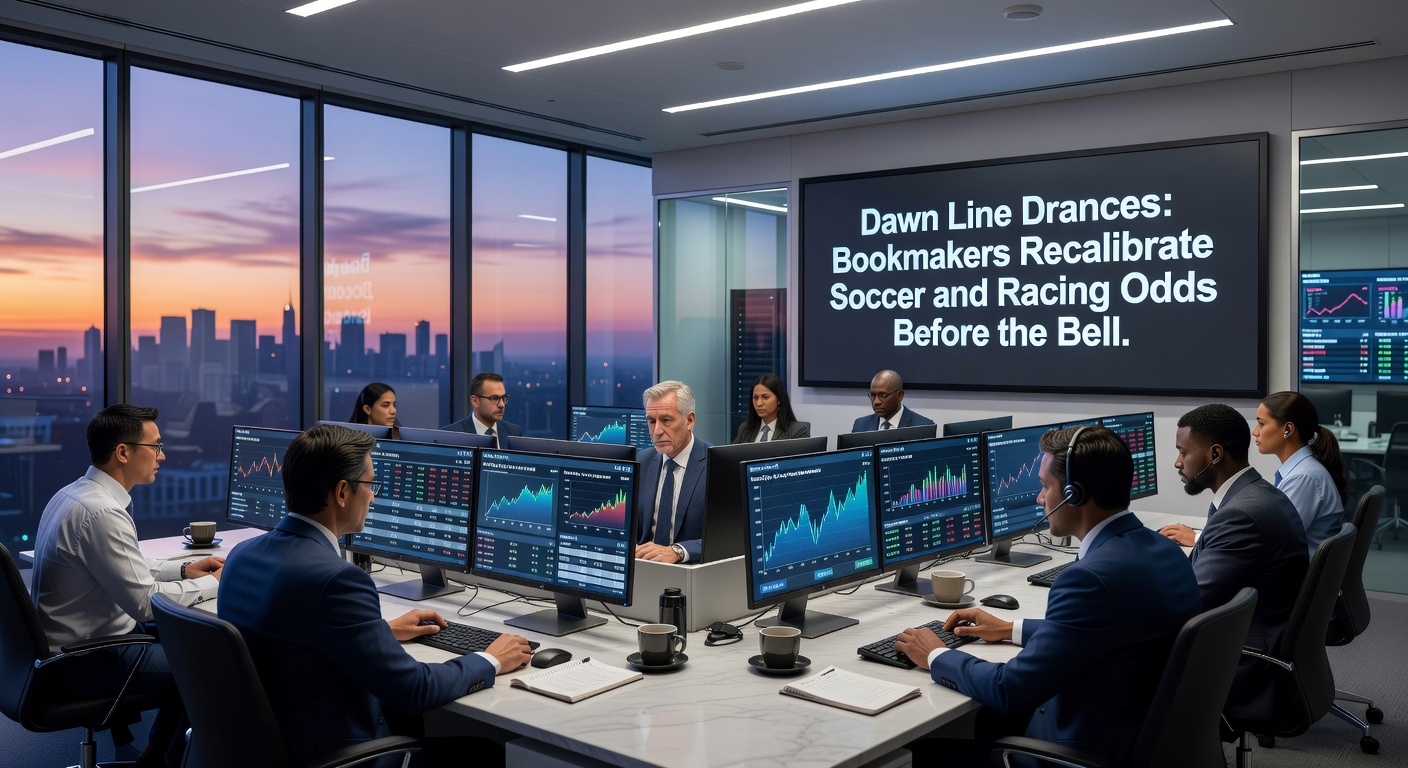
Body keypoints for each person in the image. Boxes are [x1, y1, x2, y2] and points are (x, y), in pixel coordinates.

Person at [218, 424, 532, 767]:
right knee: (487, 753)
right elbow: (415, 690)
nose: (373, 497)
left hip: (269, 749)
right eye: (370, 485)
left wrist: (379, 632)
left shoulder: (242, 556)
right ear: (342, 492)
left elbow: (294, 636)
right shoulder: (338, 580)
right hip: (338, 757)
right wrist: (490, 659)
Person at [893, 426, 1201, 767]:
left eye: (1045, 486)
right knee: (985, 724)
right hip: (1139, 738)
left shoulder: (1088, 580)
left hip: (1080, 754)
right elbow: (1110, 628)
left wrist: (935, 655)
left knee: (915, 755)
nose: (1040, 499)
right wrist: (1010, 628)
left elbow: (1008, 690)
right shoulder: (1163, 549)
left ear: (1074, 494)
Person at [31, 404, 224, 768]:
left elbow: (125, 566)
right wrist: (213, 584)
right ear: (123, 452)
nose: (162, 456)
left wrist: (185, 570)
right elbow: (146, 604)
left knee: (190, 644)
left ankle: (152, 759)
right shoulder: (102, 513)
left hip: (63, 654)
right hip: (86, 661)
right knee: (209, 663)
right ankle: (163, 762)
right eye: (156, 446)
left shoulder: (75, 495)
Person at [1158, 403, 1308, 720]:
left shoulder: (1241, 514)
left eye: (1183, 453)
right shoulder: (1255, 493)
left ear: (1215, 454)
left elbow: (1190, 604)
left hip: (1245, 662)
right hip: (1263, 633)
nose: (1177, 462)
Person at [1254, 390, 1348, 555]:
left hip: (1296, 569)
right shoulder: (1302, 471)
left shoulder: (1303, 478)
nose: (1255, 431)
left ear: (1288, 429)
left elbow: (1274, 541)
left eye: (1261, 423)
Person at [634, 380, 710, 563]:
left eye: (666, 420)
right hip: (644, 566)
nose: (657, 431)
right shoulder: (640, 461)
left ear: (689, 420)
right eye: (651, 421)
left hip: (691, 570)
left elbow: (730, 536)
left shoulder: (716, 465)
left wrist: (678, 551)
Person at [442, 372, 522, 447]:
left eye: (503, 398)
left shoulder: (513, 432)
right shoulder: (450, 435)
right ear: (475, 401)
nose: (501, 405)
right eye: (494, 398)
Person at [733, 373, 810, 443]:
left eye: (765, 397)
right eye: (755, 397)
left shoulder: (797, 431)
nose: (759, 403)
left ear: (779, 399)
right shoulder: (745, 429)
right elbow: (732, 453)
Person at [851, 369, 935, 432]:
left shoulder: (923, 427)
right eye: (873, 395)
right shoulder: (860, 426)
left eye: (882, 395)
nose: (876, 402)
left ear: (900, 395)